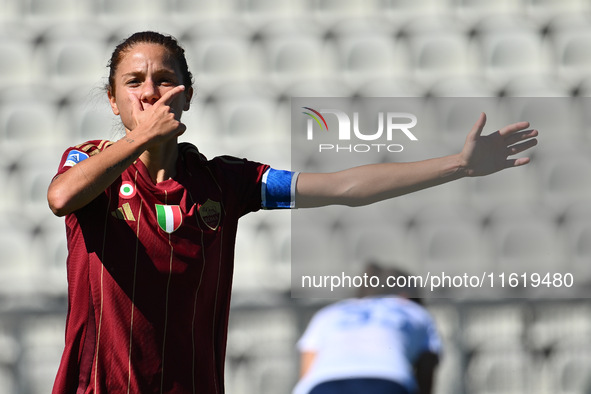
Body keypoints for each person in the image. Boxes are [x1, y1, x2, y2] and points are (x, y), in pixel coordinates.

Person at [46, 31, 537, 393]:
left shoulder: (225, 182)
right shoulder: (89, 164)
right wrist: (139, 139)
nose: (150, 92)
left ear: (188, 95)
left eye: (164, 79)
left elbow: (344, 187)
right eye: (133, 82)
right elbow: (61, 198)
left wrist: (457, 165)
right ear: (113, 99)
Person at [293, 263, 441, 394]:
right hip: (388, 382)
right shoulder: (416, 312)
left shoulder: (329, 313)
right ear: (405, 296)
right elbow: (426, 373)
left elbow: (307, 372)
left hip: (323, 385)